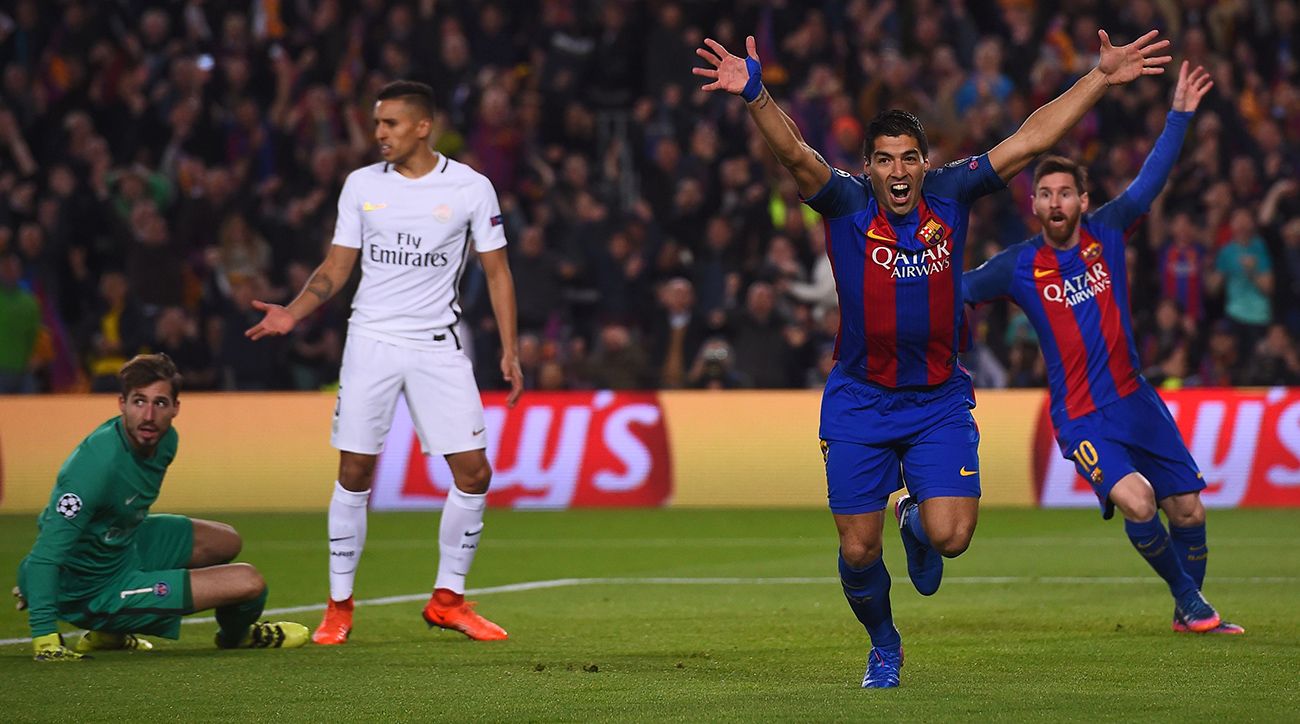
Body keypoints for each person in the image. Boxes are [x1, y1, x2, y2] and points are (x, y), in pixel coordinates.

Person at [694, 29, 1172, 687]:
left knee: (952, 537)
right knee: (857, 550)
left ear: (925, 163)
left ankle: (913, 521)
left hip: (938, 397)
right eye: (885, 160)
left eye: (909, 158)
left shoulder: (953, 192)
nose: (898, 172)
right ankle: (884, 644)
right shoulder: (844, 202)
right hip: (861, 396)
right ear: (868, 166)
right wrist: (754, 93)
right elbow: (795, 153)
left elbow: (1030, 138)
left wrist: (1099, 77)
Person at [964, 63, 1241, 635]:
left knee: (1188, 509)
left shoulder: (1108, 232)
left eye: (1066, 192)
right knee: (1140, 503)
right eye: (1045, 194)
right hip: (1082, 416)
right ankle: (1192, 604)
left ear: (1084, 200)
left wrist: (1179, 117)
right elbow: (954, 290)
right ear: (1034, 206)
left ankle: (1187, 608)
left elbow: (1150, 182)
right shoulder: (1016, 267)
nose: (1056, 202)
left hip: (1137, 400)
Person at [245, 80, 523, 645]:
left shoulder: (471, 187)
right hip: (370, 341)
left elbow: (497, 271)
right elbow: (335, 268)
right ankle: (339, 608)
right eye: (377, 124)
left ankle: (449, 600)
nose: (379, 135)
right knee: (355, 473)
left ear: (424, 126)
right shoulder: (361, 186)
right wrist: (293, 313)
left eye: (390, 124)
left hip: (436, 344)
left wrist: (510, 349)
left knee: (474, 472)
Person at [14, 354, 308, 661]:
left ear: (176, 408)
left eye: (160, 403)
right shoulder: (95, 467)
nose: (149, 415)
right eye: (139, 402)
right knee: (250, 583)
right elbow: (45, 554)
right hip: (91, 591)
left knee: (228, 540)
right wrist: (45, 637)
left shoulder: (166, 442)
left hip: (123, 549)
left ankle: (108, 636)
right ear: (121, 404)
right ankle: (240, 635)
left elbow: (120, 515)